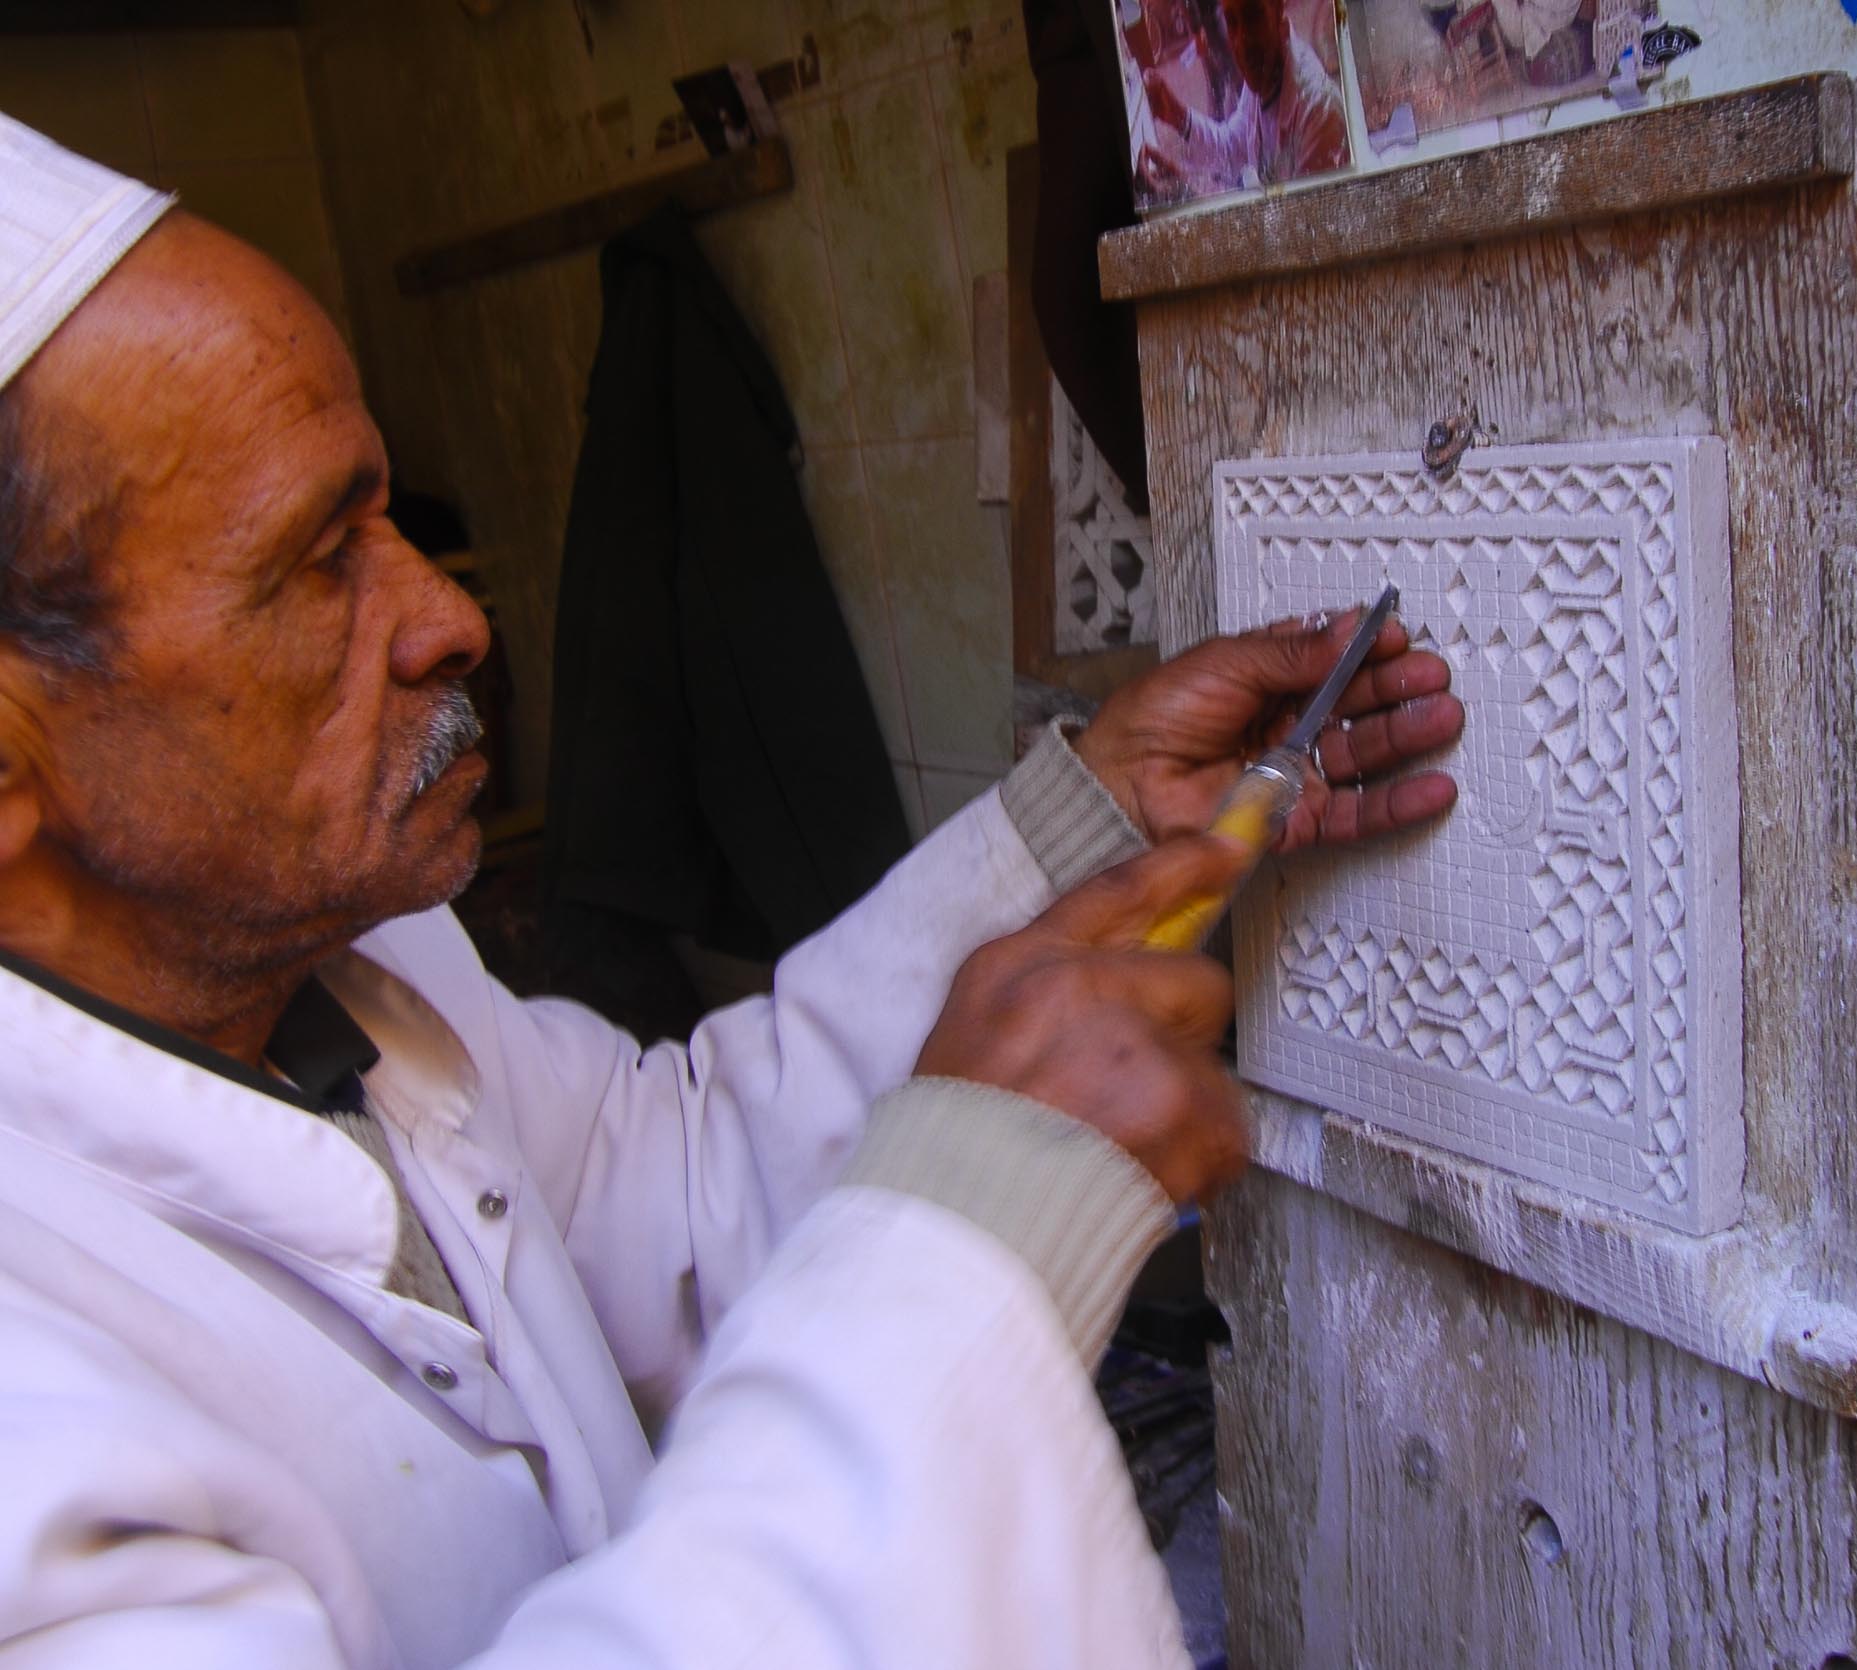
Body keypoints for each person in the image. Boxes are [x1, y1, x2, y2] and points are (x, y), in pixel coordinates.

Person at [0, 117, 1462, 1667]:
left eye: (385, 521)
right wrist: (967, 1256)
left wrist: (1085, 814)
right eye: (311, 564)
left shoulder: (357, 975)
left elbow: (677, 1192)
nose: (448, 621)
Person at [1141, 0, 1349, 194]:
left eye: (1253, 17)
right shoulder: (1264, 75)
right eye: (1231, 22)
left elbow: (1291, 226)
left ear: (1278, 8)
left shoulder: (1319, 113)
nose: (1242, 43)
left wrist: (1189, 194)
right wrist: (1175, 113)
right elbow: (1233, 148)